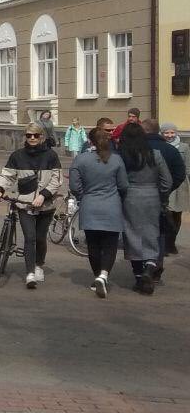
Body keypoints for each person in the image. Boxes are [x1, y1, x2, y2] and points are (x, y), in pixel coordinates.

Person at [0, 123, 63, 289]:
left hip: (46, 205)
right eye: (29, 135)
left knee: (40, 238)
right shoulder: (17, 155)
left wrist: (43, 196)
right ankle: (30, 273)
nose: (32, 138)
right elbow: (7, 175)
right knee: (30, 238)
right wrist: (0, 189)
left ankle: (38, 265)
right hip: (25, 204)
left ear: (42, 137)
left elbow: (56, 180)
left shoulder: (51, 155)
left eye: (35, 135)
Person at [70, 127, 129, 298]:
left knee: (93, 245)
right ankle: (104, 275)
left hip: (90, 205)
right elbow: (124, 185)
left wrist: (83, 195)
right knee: (110, 245)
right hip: (112, 205)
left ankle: (98, 276)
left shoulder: (81, 160)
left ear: (90, 141)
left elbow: (74, 186)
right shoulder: (116, 160)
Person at [117, 123, 171, 295]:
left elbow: (119, 181)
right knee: (151, 233)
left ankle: (139, 275)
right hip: (152, 197)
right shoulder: (155, 154)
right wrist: (161, 197)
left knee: (132, 235)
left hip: (130, 197)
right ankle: (149, 266)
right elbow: (167, 182)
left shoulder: (122, 156)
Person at [143, 119, 186, 279]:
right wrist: (166, 191)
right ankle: (157, 263)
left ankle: (145, 265)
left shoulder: (139, 149)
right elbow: (179, 174)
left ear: (145, 131)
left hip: (140, 196)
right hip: (161, 197)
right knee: (159, 231)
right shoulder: (171, 151)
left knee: (141, 231)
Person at [162, 122, 189, 258]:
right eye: (166, 132)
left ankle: (171, 242)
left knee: (177, 215)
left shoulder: (184, 147)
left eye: (172, 132)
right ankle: (167, 243)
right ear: (162, 133)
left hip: (180, 185)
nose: (169, 135)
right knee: (168, 215)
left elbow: (187, 167)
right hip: (167, 183)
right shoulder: (162, 147)